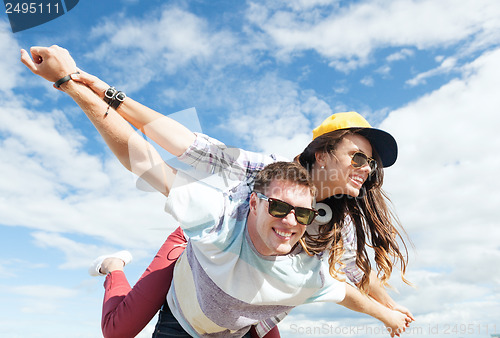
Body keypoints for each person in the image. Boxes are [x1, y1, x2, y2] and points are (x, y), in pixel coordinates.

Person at [20, 45, 414, 337]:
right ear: (323, 154)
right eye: (359, 158)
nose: (367, 170)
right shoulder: (264, 171)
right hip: (200, 250)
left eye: (372, 164)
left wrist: (390, 306)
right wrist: (98, 89)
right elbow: (184, 145)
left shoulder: (337, 223)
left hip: (244, 308)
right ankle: (113, 267)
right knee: (119, 331)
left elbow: (349, 275)